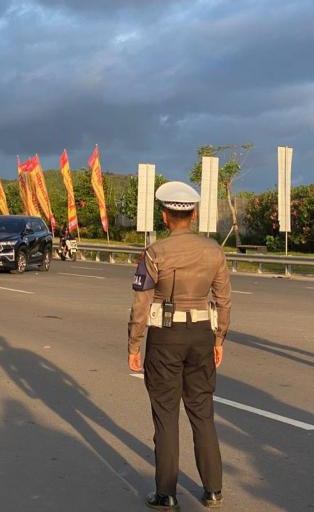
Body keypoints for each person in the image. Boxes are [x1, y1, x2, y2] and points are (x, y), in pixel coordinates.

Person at [128, 181, 231, 510]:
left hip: (165, 337)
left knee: (166, 415)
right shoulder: (214, 250)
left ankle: (167, 493)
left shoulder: (155, 252)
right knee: (202, 413)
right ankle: (213, 489)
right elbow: (224, 300)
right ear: (194, 214)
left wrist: (134, 344)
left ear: (164, 216)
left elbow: (141, 304)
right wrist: (219, 338)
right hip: (202, 333)